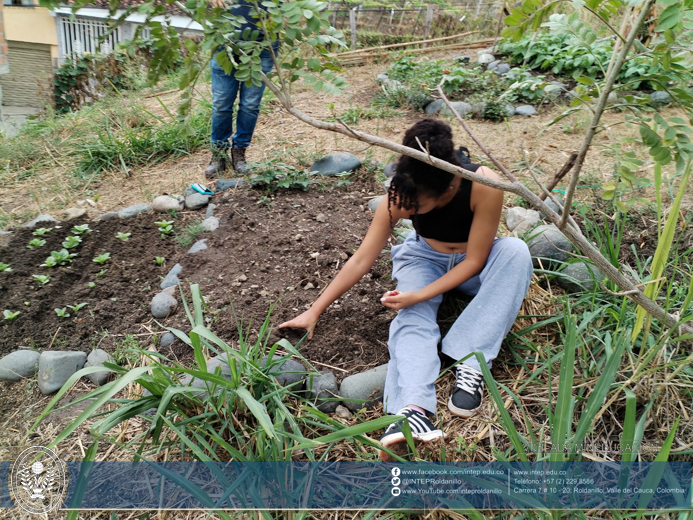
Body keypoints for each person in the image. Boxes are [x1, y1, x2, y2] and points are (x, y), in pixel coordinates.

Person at [279, 119, 533, 461]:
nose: (407, 209)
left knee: (516, 252)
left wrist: (420, 295)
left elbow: (475, 261)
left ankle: (471, 360)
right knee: (409, 315)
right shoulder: (403, 191)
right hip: (424, 259)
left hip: (477, 262)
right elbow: (361, 259)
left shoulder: (483, 184)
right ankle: (412, 411)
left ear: (446, 189)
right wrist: (314, 309)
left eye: (416, 207)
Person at [205, 0, 277, 178]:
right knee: (221, 103)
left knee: (250, 104)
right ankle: (219, 155)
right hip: (225, 42)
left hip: (262, 46)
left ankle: (239, 153)